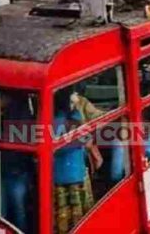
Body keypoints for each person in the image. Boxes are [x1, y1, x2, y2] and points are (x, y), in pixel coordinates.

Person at [53, 89, 100, 234]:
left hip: (63, 174)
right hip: (72, 175)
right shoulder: (63, 120)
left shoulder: (59, 117)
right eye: (72, 95)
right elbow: (83, 140)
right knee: (78, 216)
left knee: (64, 219)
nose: (76, 97)